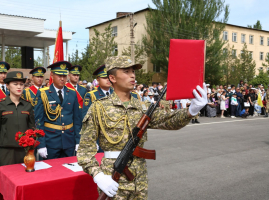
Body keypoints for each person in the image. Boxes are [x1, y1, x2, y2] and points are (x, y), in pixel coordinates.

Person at [77, 56, 207, 199]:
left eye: (133, 71)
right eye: (126, 71)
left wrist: (192, 110)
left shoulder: (142, 107)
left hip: (139, 177)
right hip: (111, 177)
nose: (132, 75)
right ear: (112, 78)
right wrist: (98, 176)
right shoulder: (98, 107)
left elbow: (169, 121)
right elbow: (84, 152)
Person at [35, 61, 82, 159]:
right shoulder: (43, 93)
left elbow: (77, 120)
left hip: (69, 141)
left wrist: (78, 140)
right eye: (59, 75)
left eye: (64, 76)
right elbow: (38, 121)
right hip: (50, 142)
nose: (62, 78)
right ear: (52, 75)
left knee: (68, 171)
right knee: (50, 173)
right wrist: (41, 144)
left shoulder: (72, 93)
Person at [0, 71, 34, 169]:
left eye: (21, 84)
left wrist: (31, 151)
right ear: (8, 86)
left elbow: (32, 130)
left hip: (24, 151)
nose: (19, 87)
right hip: (6, 152)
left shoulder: (27, 105)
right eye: (15, 84)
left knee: (25, 181)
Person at [82, 65, 113, 153]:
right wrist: (92, 140)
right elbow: (86, 118)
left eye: (109, 77)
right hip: (99, 137)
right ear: (98, 80)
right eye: (104, 77)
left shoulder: (116, 94)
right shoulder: (91, 95)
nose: (108, 80)